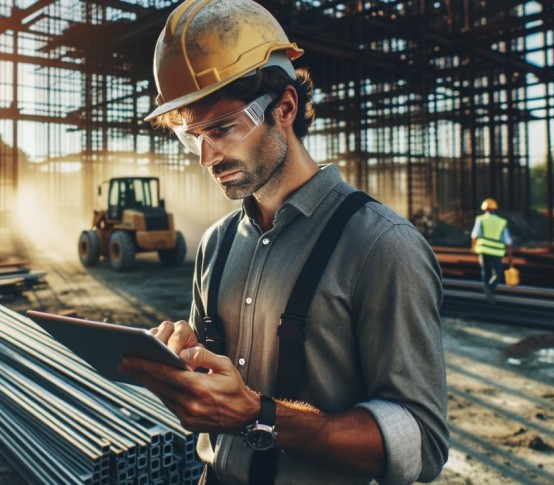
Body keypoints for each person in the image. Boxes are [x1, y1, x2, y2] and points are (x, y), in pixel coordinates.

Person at [119, 1, 450, 483]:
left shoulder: (382, 245)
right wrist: (185, 363)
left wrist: (259, 413)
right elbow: (217, 394)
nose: (207, 157)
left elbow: (421, 443)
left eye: (223, 129)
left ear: (285, 108)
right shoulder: (216, 244)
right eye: (193, 138)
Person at [470, 198, 513, 304]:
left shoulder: (480, 219)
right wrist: (510, 257)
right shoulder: (502, 222)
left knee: (485, 272)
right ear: (495, 209)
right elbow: (508, 240)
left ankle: (487, 290)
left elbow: (474, 235)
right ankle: (490, 289)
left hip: (483, 249)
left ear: (484, 209)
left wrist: (473, 247)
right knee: (497, 274)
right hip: (497, 252)